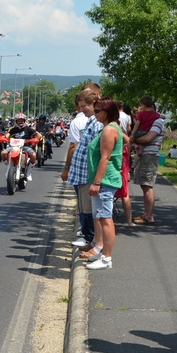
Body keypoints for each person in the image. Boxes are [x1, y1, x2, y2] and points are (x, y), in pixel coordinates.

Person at [83, 98, 124, 270]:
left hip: (105, 180)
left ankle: (107, 258)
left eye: (98, 110)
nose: (95, 113)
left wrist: (97, 182)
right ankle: (103, 253)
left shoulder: (108, 130)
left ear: (107, 112)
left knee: (106, 219)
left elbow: (105, 158)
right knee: (101, 217)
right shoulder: (109, 128)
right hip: (104, 180)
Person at [64, 87, 103, 251]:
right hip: (82, 173)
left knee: (90, 210)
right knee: (85, 208)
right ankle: (90, 240)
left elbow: (100, 151)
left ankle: (91, 240)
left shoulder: (98, 123)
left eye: (83, 106)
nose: (81, 110)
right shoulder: (90, 121)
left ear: (93, 103)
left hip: (89, 173)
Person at [130, 95, 165, 225]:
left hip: (150, 155)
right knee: (145, 185)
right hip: (146, 154)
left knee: (147, 185)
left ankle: (149, 216)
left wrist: (133, 139)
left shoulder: (158, 122)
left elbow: (147, 139)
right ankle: (146, 213)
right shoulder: (155, 119)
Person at [7, 113, 39, 179]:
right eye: (18, 121)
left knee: (33, 155)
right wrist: (5, 137)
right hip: (14, 147)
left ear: (24, 121)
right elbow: (7, 135)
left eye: (21, 121)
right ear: (16, 121)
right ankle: (8, 165)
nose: (20, 122)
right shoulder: (13, 129)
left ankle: (28, 170)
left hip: (25, 147)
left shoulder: (28, 129)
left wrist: (35, 140)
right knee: (3, 153)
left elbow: (38, 135)